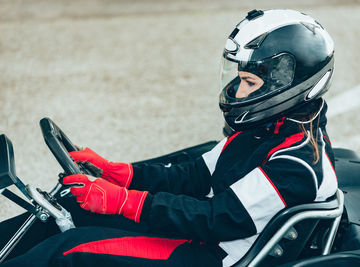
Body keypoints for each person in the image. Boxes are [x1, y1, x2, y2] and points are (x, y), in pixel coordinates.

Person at [1, 9, 337, 267]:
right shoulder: (266, 131)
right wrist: (121, 174)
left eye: (249, 83)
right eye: (239, 79)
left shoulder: (295, 164)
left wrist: (122, 201)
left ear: (288, 86)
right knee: (71, 206)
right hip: (201, 233)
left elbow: (215, 218)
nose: (236, 91)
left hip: (213, 254)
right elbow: (193, 175)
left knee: (67, 251)